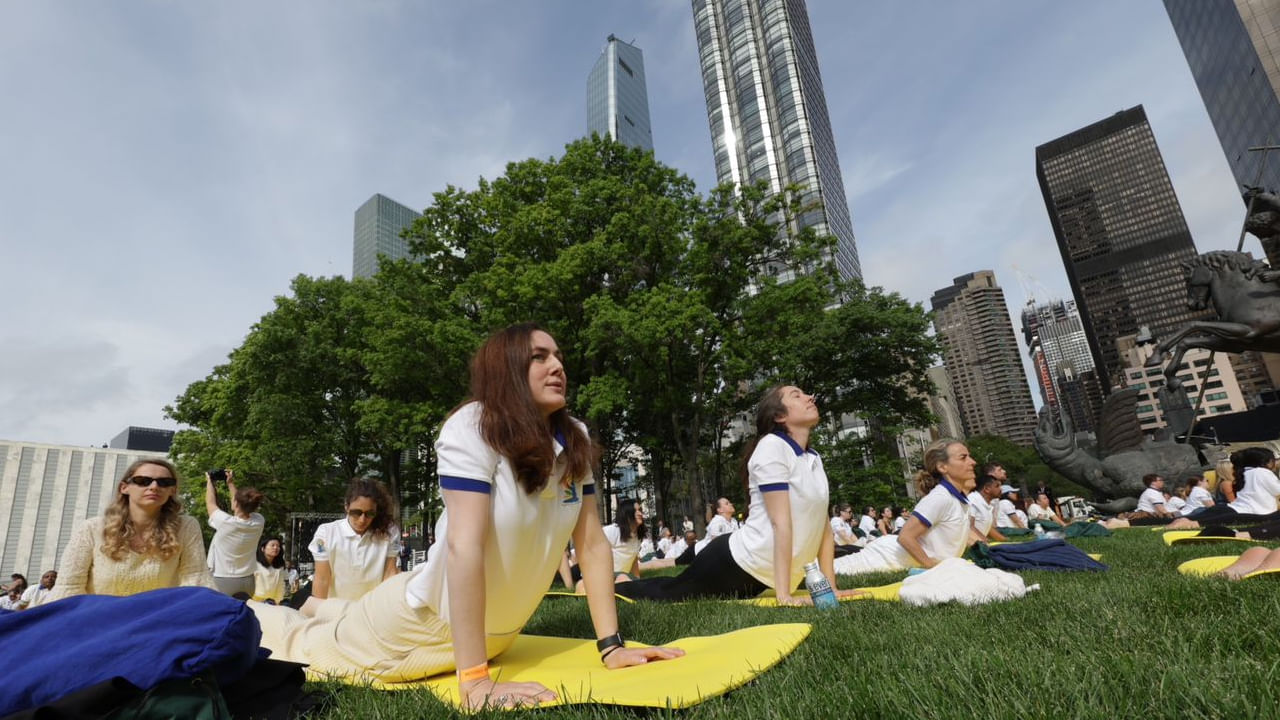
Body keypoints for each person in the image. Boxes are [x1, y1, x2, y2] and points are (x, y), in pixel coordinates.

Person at [248, 324, 682, 709]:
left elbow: (590, 545)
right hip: (416, 626)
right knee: (300, 643)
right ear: (506, 370)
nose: (558, 367)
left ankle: (320, 608)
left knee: (337, 618)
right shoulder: (473, 428)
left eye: (559, 357)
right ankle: (258, 608)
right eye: (539, 357)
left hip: (496, 636)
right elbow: (464, 546)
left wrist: (612, 648)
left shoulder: (576, 439)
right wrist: (474, 682)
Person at [615, 385, 859, 604]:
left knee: (672, 587)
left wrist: (832, 587)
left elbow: (822, 525)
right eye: (797, 395)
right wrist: (784, 596)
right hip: (734, 561)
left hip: (761, 574)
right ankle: (617, 587)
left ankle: (623, 583)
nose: (809, 397)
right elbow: (780, 523)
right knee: (668, 593)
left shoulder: (812, 458)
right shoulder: (773, 447)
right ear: (779, 416)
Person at [51, 459, 215, 600]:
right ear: (124, 487)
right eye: (143, 481)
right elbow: (69, 588)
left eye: (164, 482)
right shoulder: (91, 528)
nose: (154, 486)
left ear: (172, 490)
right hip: (99, 625)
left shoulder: (186, 527)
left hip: (158, 626)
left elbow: (196, 580)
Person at [835, 439, 978, 576]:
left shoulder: (958, 501)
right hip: (886, 557)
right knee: (831, 569)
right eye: (963, 458)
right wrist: (932, 566)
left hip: (895, 556)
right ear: (942, 467)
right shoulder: (940, 497)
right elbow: (906, 537)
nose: (973, 462)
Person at [306, 477, 402, 607]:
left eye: (369, 514)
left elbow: (390, 573)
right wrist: (318, 614)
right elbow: (322, 579)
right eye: (356, 513)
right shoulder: (326, 533)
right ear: (346, 506)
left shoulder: (389, 532)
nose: (362, 520)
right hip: (336, 609)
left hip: (372, 610)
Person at [205, 469, 266, 598]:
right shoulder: (259, 521)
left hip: (224, 580)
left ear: (236, 503)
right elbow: (242, 506)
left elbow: (210, 503)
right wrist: (230, 483)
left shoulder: (226, 523)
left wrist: (210, 482)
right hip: (248, 580)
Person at [967, 474, 1007, 543]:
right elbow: (969, 527)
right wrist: (986, 543)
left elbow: (988, 529)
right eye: (997, 486)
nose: (1001, 489)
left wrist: (1005, 540)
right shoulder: (973, 500)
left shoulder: (985, 504)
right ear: (987, 489)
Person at [253, 536, 287, 604]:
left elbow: (281, 588)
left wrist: (277, 603)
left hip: (273, 603)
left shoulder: (279, 567)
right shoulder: (255, 565)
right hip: (256, 603)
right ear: (263, 548)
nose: (276, 548)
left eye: (278, 546)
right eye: (272, 545)